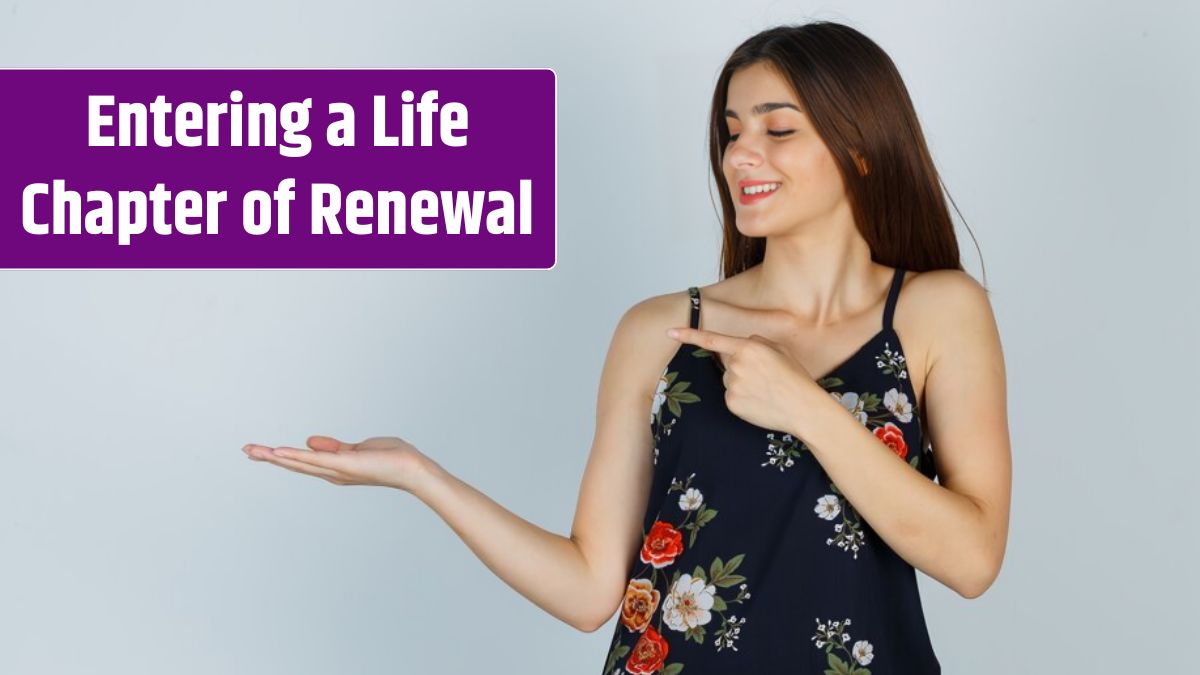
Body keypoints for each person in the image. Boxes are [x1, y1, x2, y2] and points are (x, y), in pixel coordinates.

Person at [242, 20, 1011, 674]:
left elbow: (973, 560)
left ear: (862, 147)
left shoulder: (937, 312)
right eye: (731, 131)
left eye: (777, 129)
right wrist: (420, 474)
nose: (741, 155)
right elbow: (587, 589)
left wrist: (806, 408)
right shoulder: (660, 330)